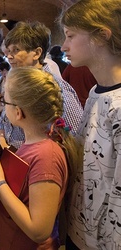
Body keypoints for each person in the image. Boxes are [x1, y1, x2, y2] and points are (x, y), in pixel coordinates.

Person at [0, 67, 82, 249]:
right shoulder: (32, 146)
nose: (2, 107)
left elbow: (39, 230)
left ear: (18, 112)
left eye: (4, 101)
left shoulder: (46, 157)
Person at [59, 1, 121, 249]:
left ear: (101, 36)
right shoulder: (96, 91)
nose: (64, 46)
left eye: (71, 36)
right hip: (80, 231)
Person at [0, 21, 83, 149]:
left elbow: (74, 138)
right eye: (8, 51)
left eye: (16, 50)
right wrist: (2, 140)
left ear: (36, 53)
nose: (9, 56)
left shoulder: (56, 88)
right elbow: (4, 121)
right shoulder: (18, 83)